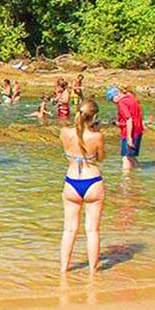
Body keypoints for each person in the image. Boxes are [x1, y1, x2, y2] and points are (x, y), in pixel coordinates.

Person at [59, 98, 106, 275]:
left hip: (71, 181)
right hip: (92, 180)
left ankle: (64, 269)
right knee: (92, 230)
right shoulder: (97, 136)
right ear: (94, 117)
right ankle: (93, 272)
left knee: (69, 229)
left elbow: (69, 147)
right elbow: (101, 158)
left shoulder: (64, 132)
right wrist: (96, 131)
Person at [107, 85, 145, 171]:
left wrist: (129, 137)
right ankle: (140, 172)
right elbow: (135, 115)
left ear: (115, 96)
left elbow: (129, 119)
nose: (114, 103)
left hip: (130, 132)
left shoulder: (122, 103)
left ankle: (126, 182)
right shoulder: (131, 98)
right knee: (131, 156)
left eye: (112, 100)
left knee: (126, 158)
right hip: (138, 130)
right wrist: (119, 123)